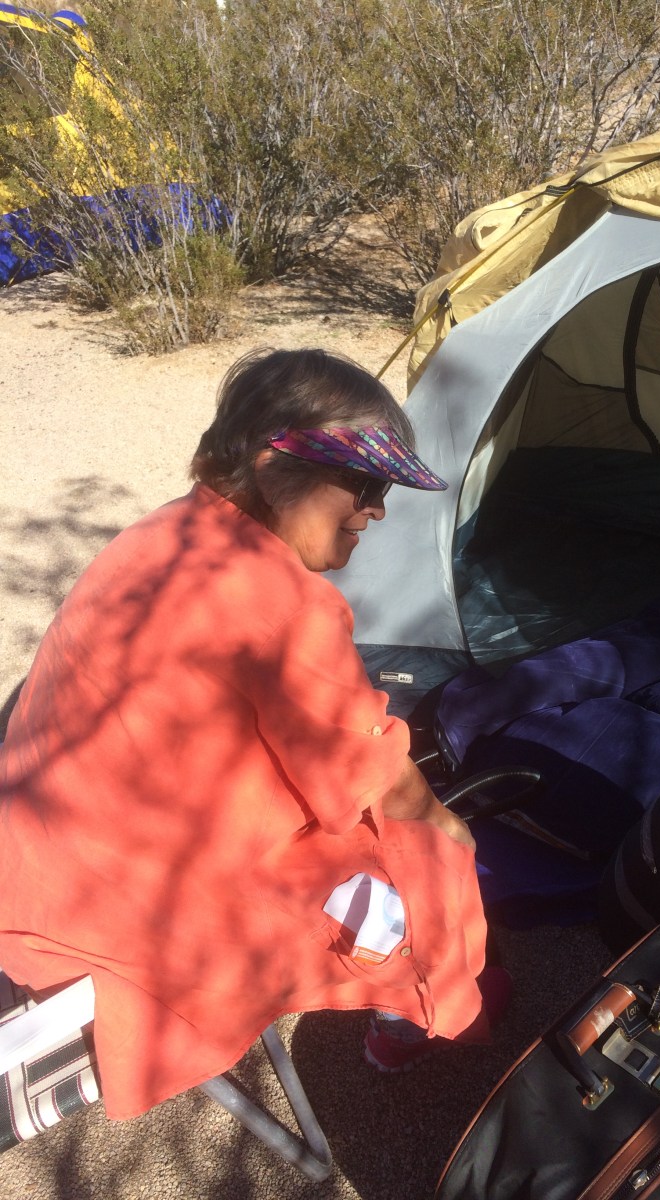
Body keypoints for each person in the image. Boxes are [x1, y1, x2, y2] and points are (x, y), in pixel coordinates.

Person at [0, 347, 509, 1121]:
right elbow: (365, 777)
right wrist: (445, 829)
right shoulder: (284, 603)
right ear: (275, 465)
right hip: (125, 919)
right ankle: (423, 1016)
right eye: (365, 485)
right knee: (426, 858)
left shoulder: (162, 533)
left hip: (38, 870)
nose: (376, 511)